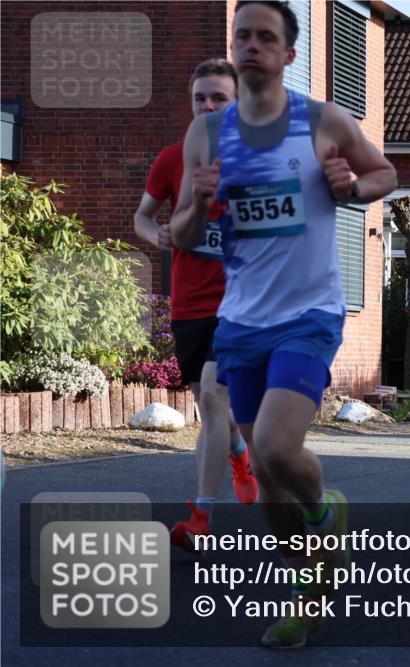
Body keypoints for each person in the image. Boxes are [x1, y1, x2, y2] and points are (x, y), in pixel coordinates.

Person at [170, 0, 398, 648]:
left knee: (271, 447)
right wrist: (200, 205)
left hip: (309, 313)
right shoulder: (206, 134)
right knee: (269, 479)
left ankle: (325, 514)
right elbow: (181, 232)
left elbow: (385, 172)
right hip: (240, 321)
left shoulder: (323, 120)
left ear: (288, 55)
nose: (251, 45)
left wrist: (351, 188)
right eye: (241, 35)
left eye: (265, 37)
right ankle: (308, 589)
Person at [133, 58, 258, 552]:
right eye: (199, 98)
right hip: (189, 304)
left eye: (218, 98)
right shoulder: (173, 158)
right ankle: (238, 452)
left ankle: (201, 516)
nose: (207, 106)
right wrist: (157, 235)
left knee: (211, 393)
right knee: (210, 404)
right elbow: (142, 217)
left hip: (241, 305)